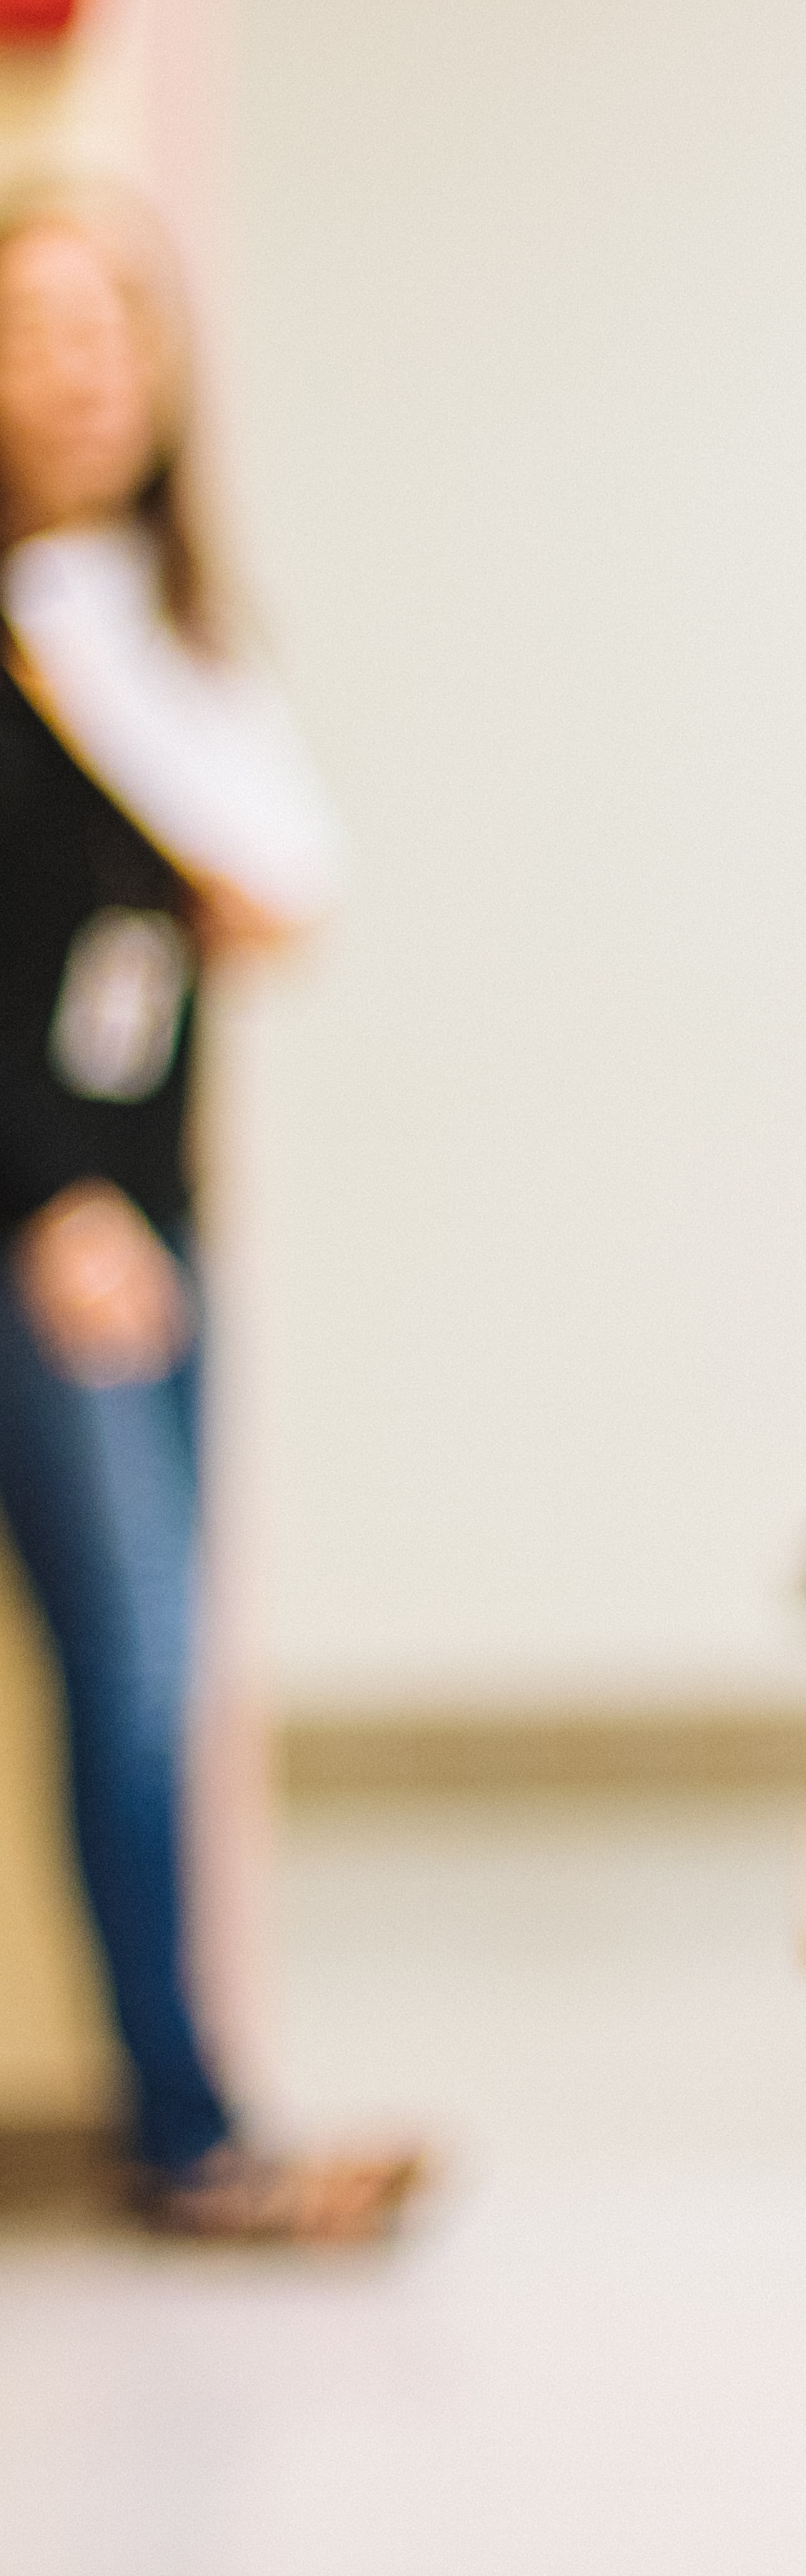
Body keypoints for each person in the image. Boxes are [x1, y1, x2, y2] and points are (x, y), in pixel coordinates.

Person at [0, 181, 410, 2240]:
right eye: (32, 332)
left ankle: (199, 2116)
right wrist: (51, 1192)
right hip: (51, 1239)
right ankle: (186, 2137)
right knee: (137, 1664)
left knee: (152, 1671)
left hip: (149, 1231)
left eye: (107, 333)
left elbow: (245, 912)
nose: (74, 374)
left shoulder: (153, 642)